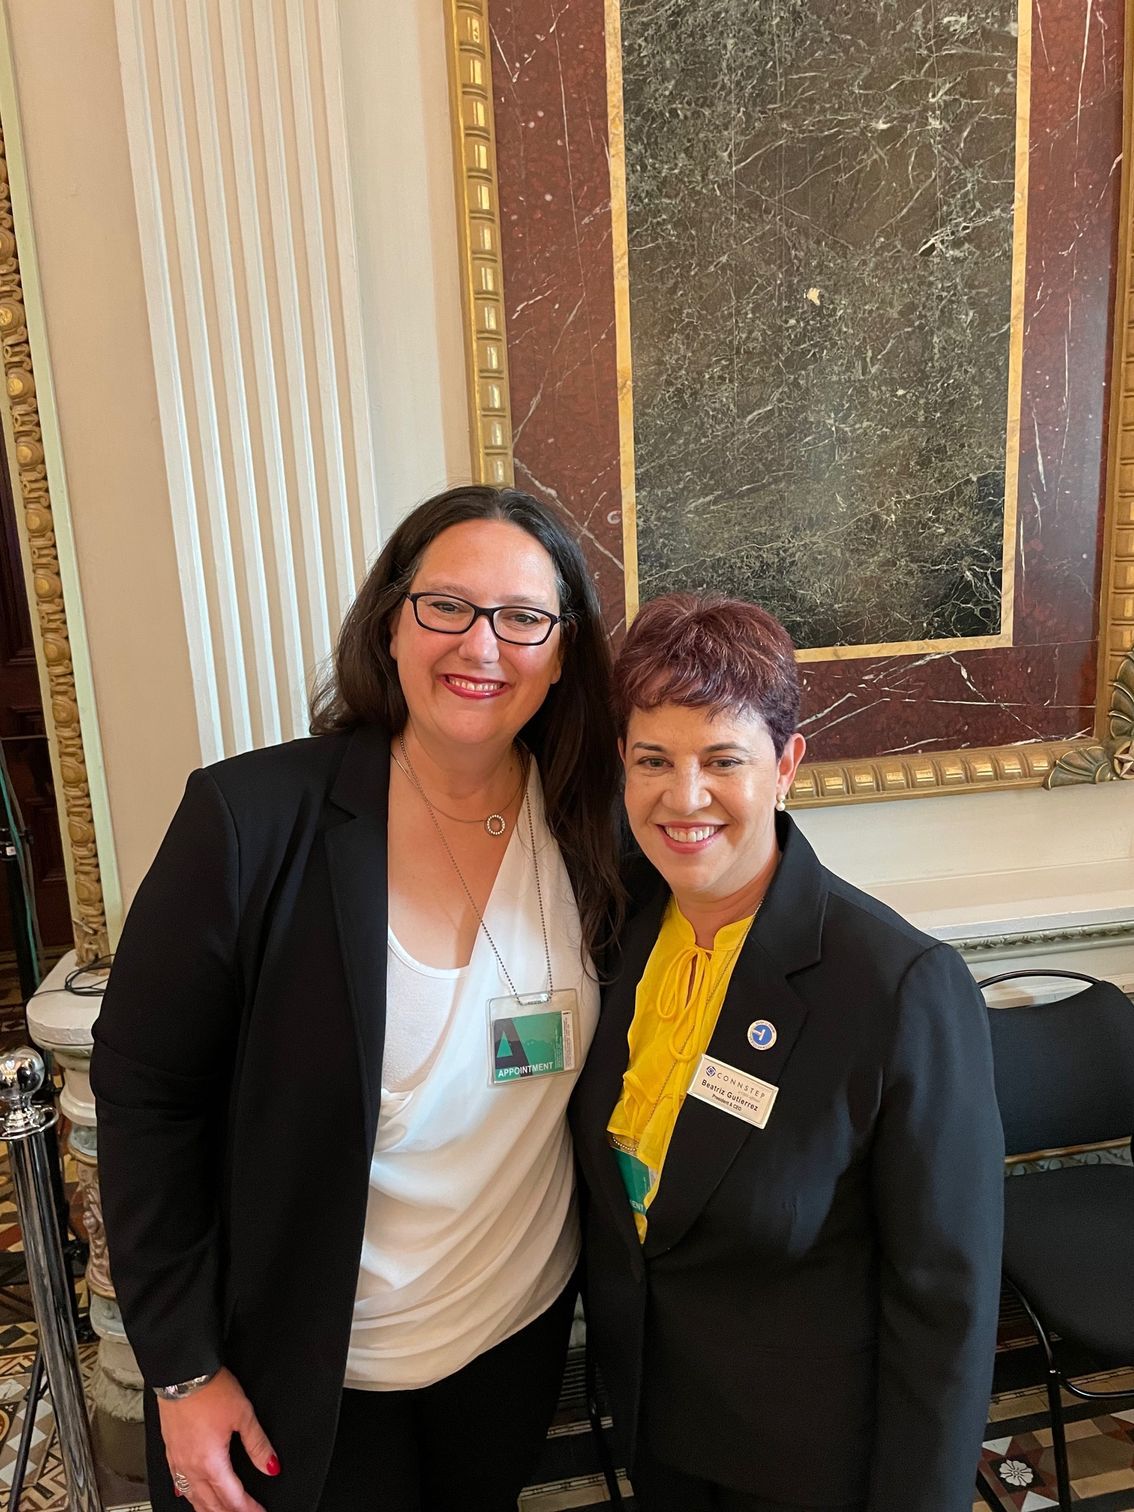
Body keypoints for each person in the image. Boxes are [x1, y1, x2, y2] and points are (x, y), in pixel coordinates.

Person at [91, 485, 623, 1512]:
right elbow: (146, 1096)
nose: (482, 645)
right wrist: (182, 1369)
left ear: (561, 653)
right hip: (307, 1372)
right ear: (390, 623)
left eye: (522, 618)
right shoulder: (249, 824)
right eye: (447, 607)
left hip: (511, 1341)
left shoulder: (596, 828)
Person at [572, 593, 1004, 1512]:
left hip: (810, 1466)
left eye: (722, 760)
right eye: (653, 760)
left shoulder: (897, 986)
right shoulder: (614, 938)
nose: (682, 797)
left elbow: (944, 1305)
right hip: (655, 1425)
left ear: (787, 765)